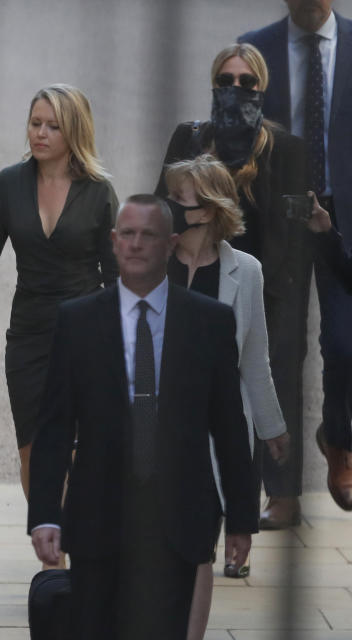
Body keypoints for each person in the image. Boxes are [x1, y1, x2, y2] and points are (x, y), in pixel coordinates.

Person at [27, 195, 258, 640]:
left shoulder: (208, 323)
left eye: (148, 235)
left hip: (180, 521)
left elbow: (229, 426)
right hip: (98, 518)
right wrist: (45, 515)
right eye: (127, 234)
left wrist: (242, 518)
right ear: (113, 242)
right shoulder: (78, 321)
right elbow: (55, 426)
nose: (135, 244)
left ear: (171, 244)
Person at [155, 43, 311, 529]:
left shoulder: (285, 149)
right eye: (226, 80)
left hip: (268, 286)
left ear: (262, 89)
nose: (235, 89)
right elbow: (162, 209)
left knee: (272, 385)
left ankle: (280, 495)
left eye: (247, 82)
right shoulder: (191, 138)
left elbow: (294, 233)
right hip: (204, 276)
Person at [0, 84, 118, 508]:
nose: (40, 133)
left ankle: (82, 547)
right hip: (28, 335)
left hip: (86, 333)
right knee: (34, 449)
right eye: (35, 123)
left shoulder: (98, 191)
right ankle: (51, 560)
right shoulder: (10, 183)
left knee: (79, 450)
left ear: (74, 132)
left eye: (52, 126)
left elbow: (117, 275)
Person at [163, 156, 289, 639]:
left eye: (181, 201)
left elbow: (254, 360)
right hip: (151, 431)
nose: (170, 208)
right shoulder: (150, 257)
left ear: (210, 210)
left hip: (212, 439)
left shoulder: (247, 272)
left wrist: (272, 429)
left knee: (198, 549)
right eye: (170, 198)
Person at [240, 0, 352, 513]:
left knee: (346, 343)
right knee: (283, 351)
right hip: (279, 222)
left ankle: (339, 439)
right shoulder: (257, 49)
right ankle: (281, 490)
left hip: (342, 220)